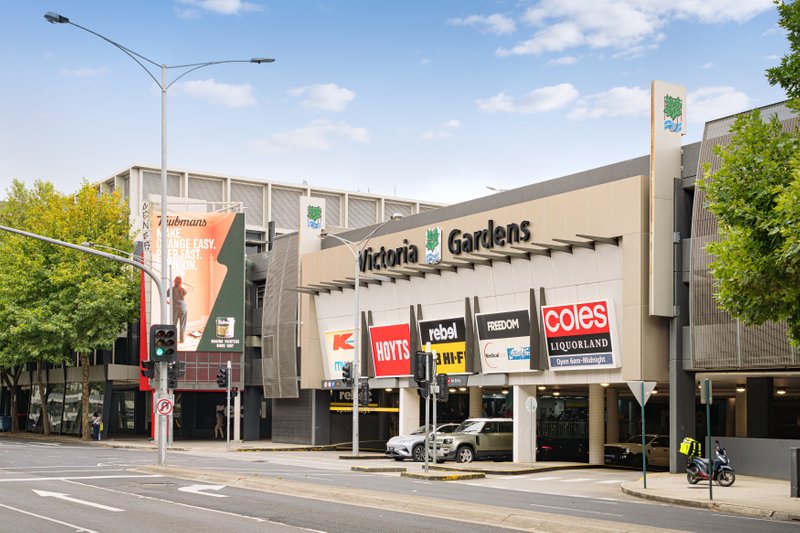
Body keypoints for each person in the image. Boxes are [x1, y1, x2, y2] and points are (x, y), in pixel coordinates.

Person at [168, 276, 188, 343]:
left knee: (173, 324)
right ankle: (182, 340)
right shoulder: (182, 289)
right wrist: (186, 291)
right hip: (183, 308)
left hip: (175, 308)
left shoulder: (171, 289)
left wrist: (167, 302)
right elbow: (184, 294)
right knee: (182, 324)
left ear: (174, 281)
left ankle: (172, 339)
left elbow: (164, 295)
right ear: (180, 282)